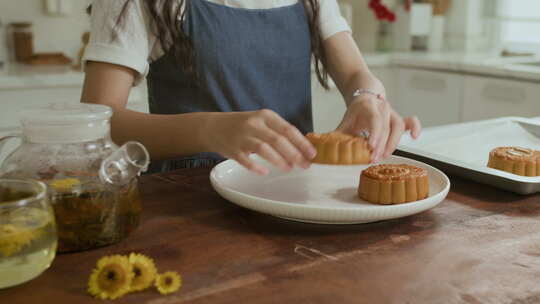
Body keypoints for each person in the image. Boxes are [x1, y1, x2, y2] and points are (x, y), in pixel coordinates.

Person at [82, 0, 421, 175]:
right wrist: (210, 128)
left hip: (295, 193)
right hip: (191, 203)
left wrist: (368, 98)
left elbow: (355, 75)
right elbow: (99, 123)